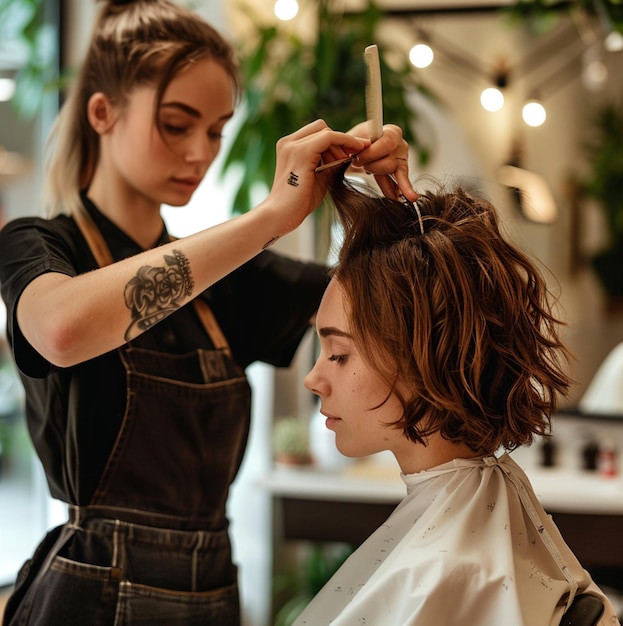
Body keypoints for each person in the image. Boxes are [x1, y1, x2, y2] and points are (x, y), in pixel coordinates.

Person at [0, 1, 417, 624]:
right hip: (92, 595)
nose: (201, 152)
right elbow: (59, 330)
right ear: (101, 112)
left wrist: (392, 204)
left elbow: (407, 308)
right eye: (176, 124)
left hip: (214, 592)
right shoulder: (39, 245)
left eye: (218, 129)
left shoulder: (233, 278)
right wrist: (273, 217)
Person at [296, 174, 618, 625]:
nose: (314, 379)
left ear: (423, 358)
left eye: (338, 354)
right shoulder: (488, 497)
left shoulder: (441, 572)